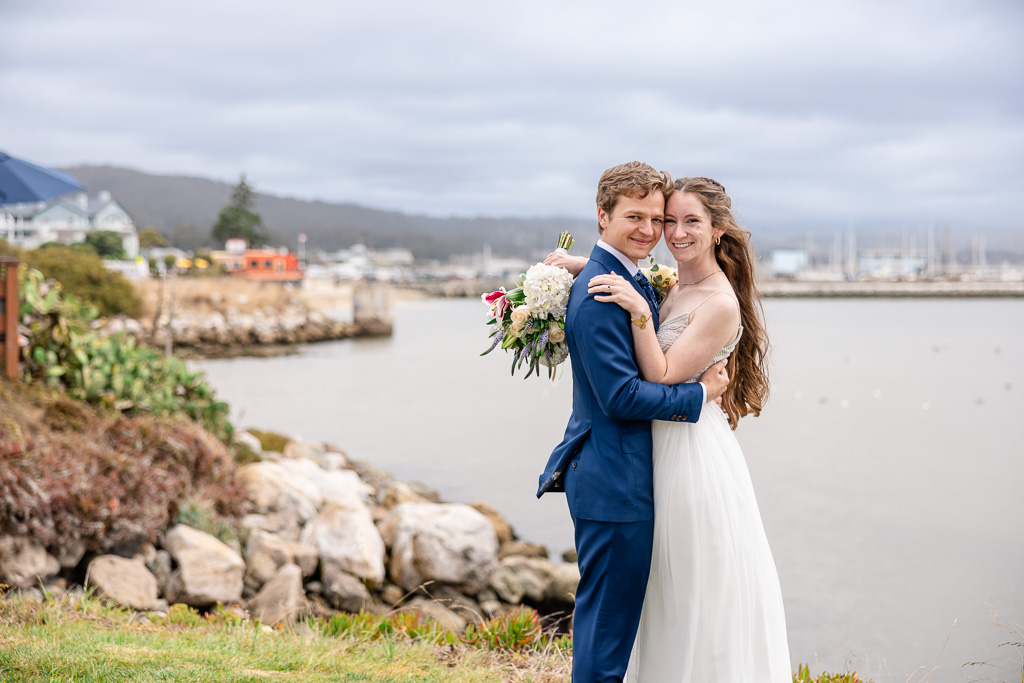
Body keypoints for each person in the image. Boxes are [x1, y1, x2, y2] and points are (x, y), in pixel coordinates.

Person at [558, 176, 791, 682]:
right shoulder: (672, 281)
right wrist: (587, 267)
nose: (673, 232)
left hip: (689, 457)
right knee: (661, 596)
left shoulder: (720, 302)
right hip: (649, 454)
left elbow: (660, 375)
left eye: (691, 222)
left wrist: (642, 315)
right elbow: (642, 277)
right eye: (668, 220)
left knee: (693, 591)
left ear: (718, 229)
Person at [537, 162, 730, 683]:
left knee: (614, 627)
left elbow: (648, 293)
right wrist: (700, 394)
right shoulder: (603, 297)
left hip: (620, 475)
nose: (650, 230)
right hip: (615, 482)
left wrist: (583, 262)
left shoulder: (620, 277)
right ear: (602, 216)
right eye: (634, 217)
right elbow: (621, 397)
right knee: (607, 634)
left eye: (656, 217)